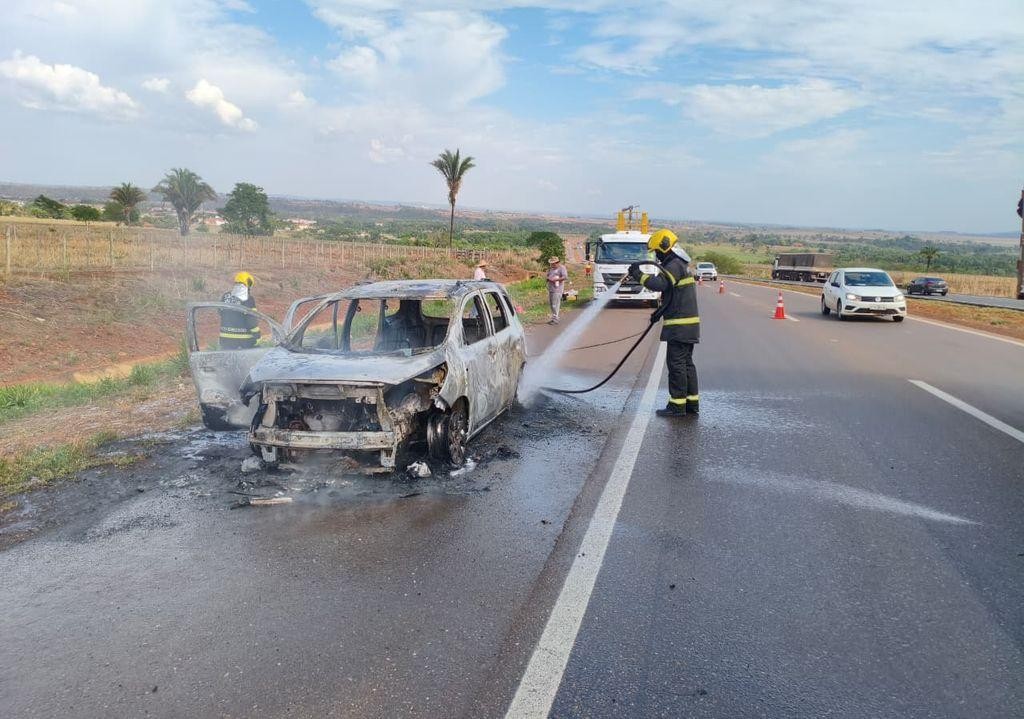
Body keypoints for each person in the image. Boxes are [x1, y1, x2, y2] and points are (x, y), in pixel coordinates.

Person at [627, 229, 700, 417]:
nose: (657, 256)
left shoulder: (674, 265)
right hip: (688, 326)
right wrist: (658, 313)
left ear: (665, 247)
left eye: (658, 252)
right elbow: (673, 297)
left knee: (676, 365)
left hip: (680, 326)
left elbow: (660, 285)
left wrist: (638, 274)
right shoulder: (681, 264)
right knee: (686, 364)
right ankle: (691, 404)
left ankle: (677, 406)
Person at [219, 271, 261, 349]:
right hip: (244, 341)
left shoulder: (225, 296)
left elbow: (220, 312)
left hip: (225, 339)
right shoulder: (248, 299)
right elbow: (251, 320)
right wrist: (257, 336)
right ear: (248, 284)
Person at [546, 256, 568, 324]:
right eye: (551, 263)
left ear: (557, 263)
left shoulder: (562, 268)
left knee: (555, 304)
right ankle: (554, 318)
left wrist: (556, 279)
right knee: (551, 304)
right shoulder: (551, 269)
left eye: (553, 263)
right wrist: (548, 278)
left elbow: (565, 277)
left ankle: (556, 319)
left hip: (557, 289)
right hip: (551, 289)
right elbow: (548, 275)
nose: (552, 265)